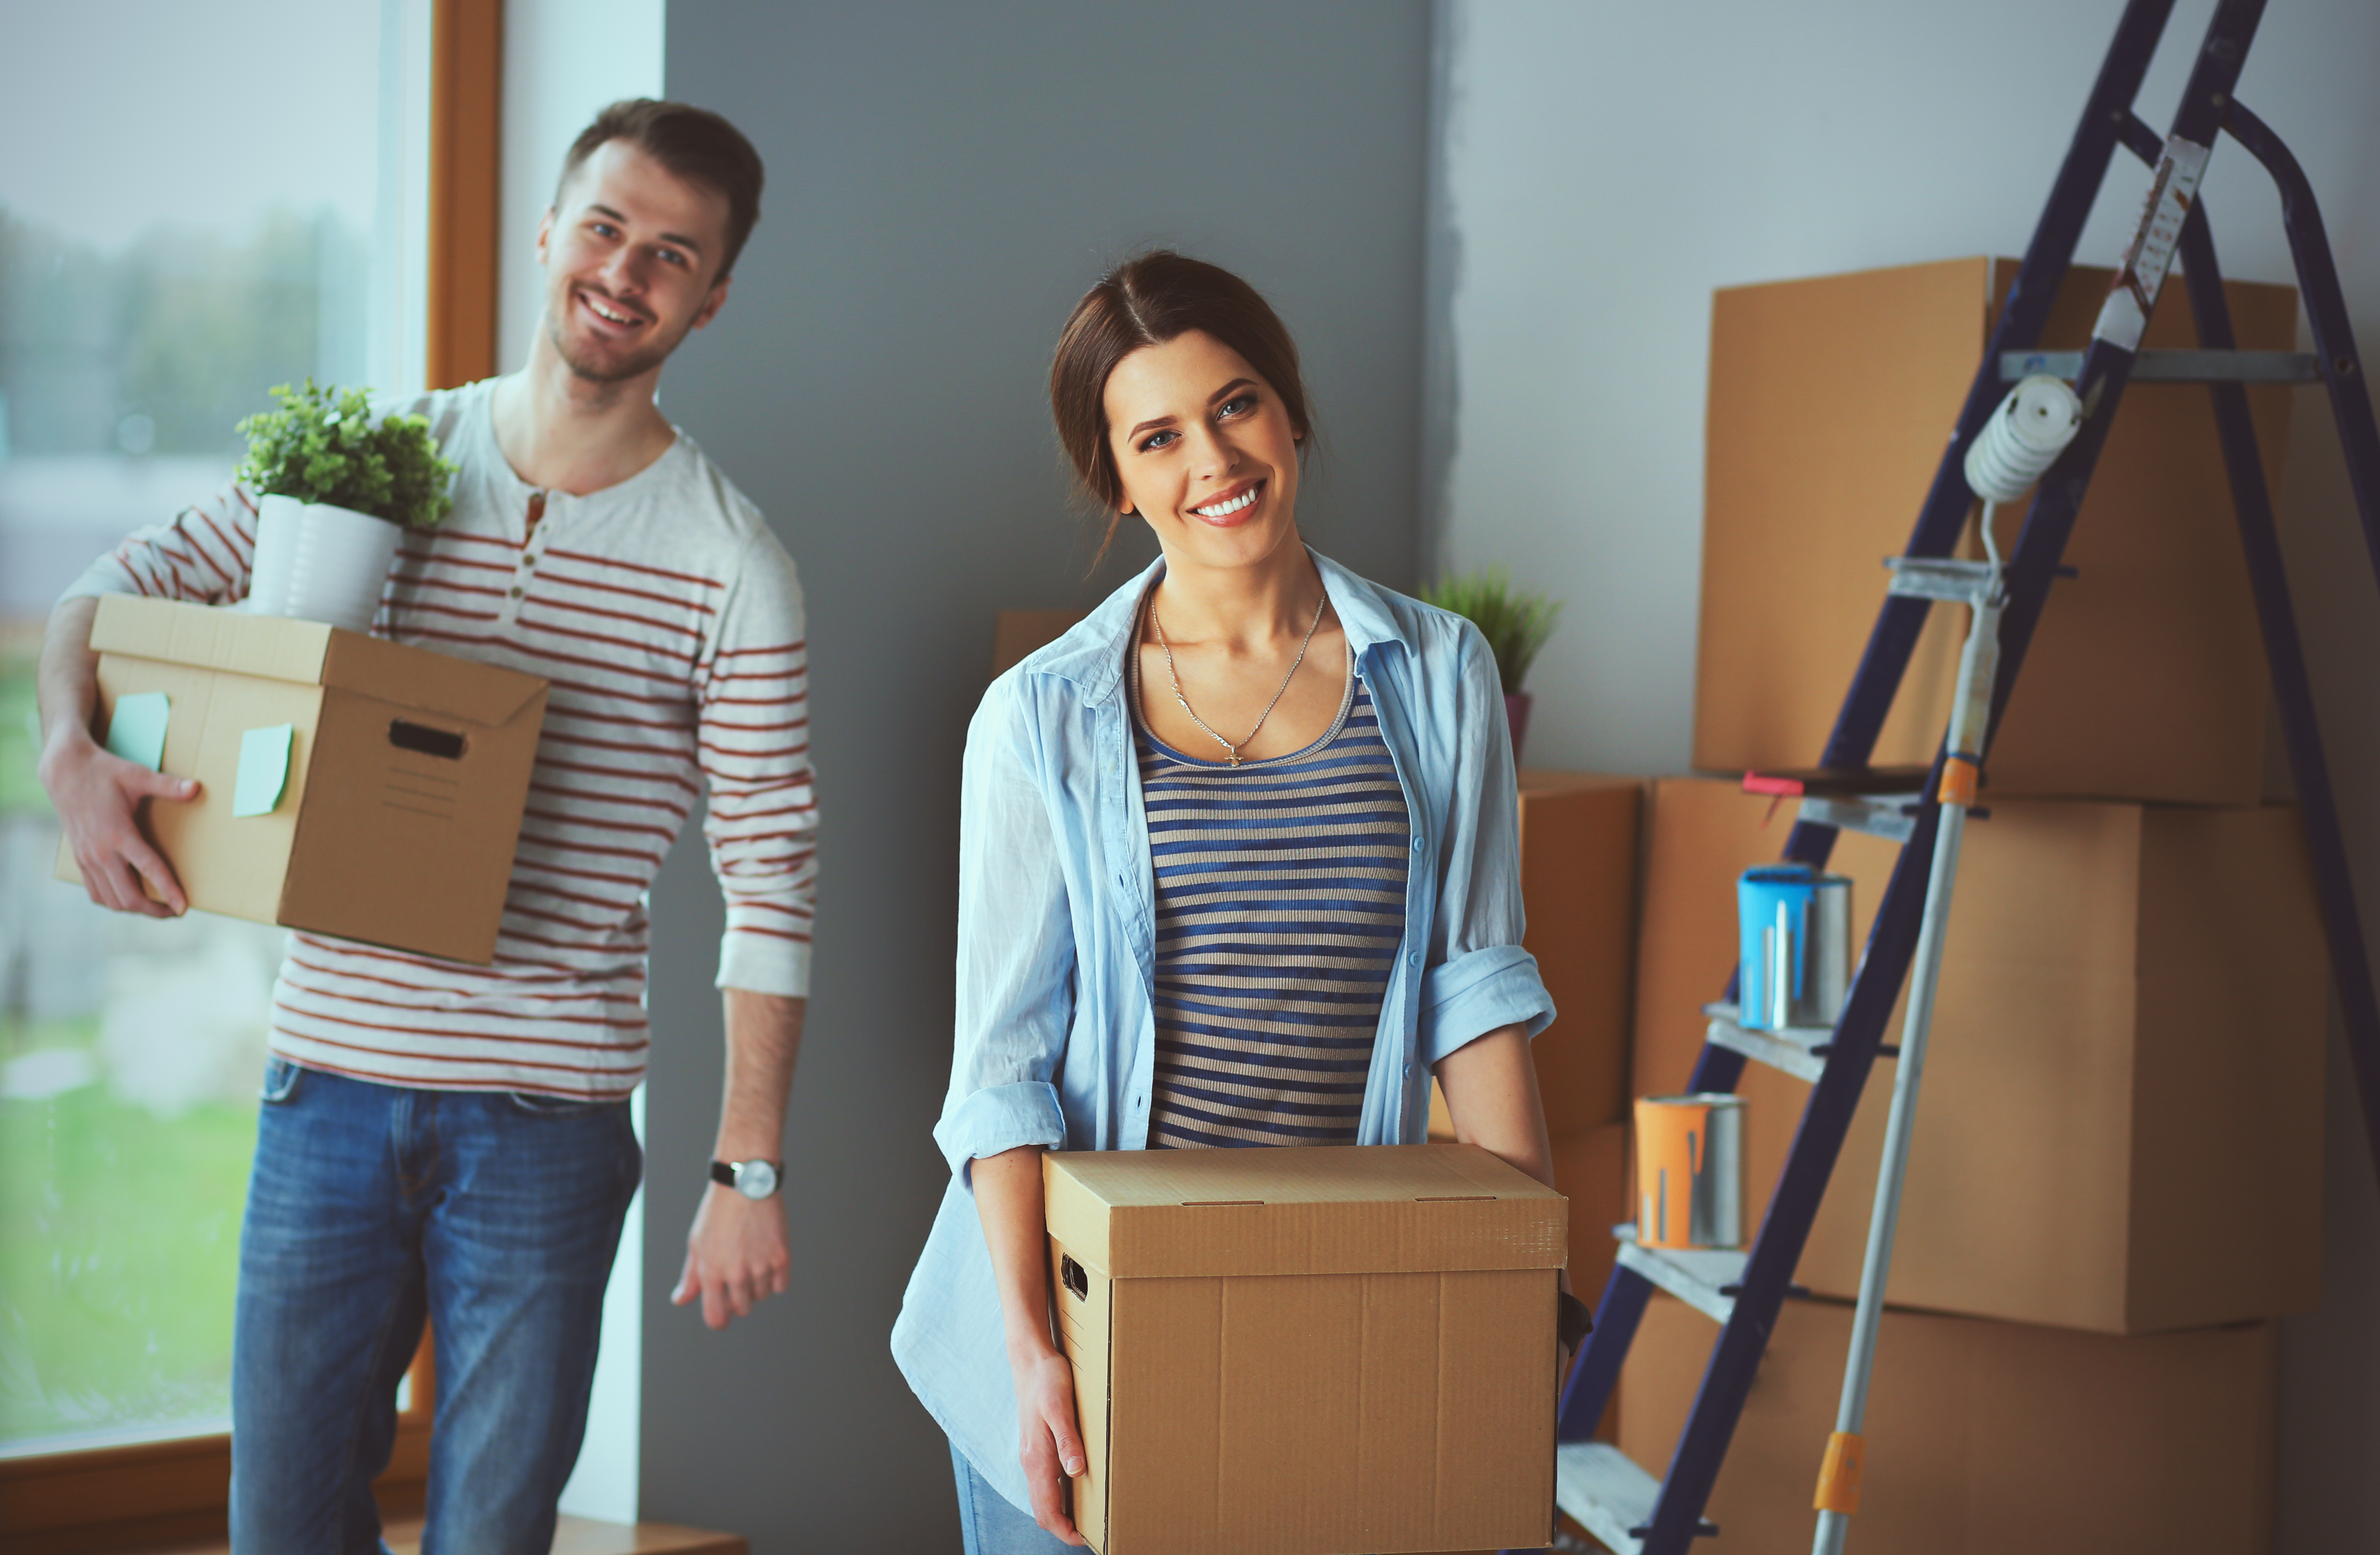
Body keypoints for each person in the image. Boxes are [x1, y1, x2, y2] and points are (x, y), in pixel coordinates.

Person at [33, 100, 813, 1553]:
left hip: (547, 1124)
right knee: (281, 1527)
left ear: (711, 299)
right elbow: (118, 585)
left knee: (491, 1538)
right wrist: (68, 755)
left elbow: (772, 877)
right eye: (605, 227)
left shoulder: (730, 564)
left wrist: (745, 1171)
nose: (624, 271)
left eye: (671, 254)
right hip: (326, 1082)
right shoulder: (380, 459)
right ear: (549, 232)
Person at [891, 251, 1587, 1553]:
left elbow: (1477, 994)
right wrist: (1034, 1351)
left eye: (1235, 404)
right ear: (1117, 477)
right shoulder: (1042, 715)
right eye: (1158, 436)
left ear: (1289, 408)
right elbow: (1002, 1076)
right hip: (1083, 1326)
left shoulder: (1438, 672)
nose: (1213, 460)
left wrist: (1518, 1289)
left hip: (1330, 1306)